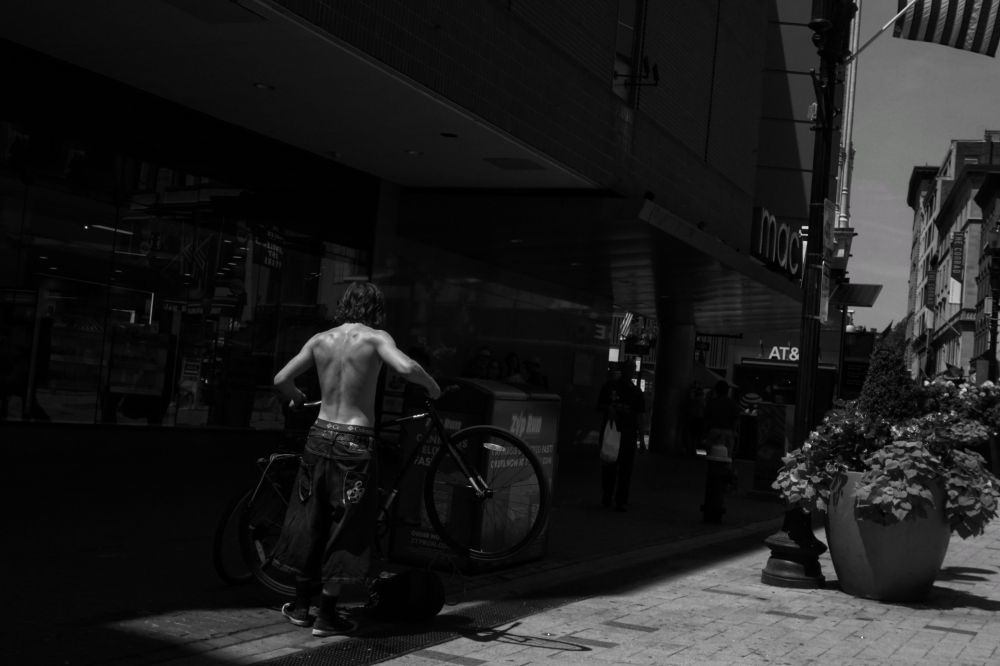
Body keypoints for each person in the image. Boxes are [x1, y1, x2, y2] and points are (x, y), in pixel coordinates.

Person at [270, 282, 441, 637]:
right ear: (377, 310)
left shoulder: (321, 340)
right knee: (347, 527)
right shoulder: (376, 338)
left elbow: (281, 379)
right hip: (354, 442)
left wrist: (298, 397)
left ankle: (301, 606)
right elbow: (406, 367)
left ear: (344, 305)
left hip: (318, 438)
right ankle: (327, 615)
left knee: (311, 519)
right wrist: (432, 386)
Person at [597, 362, 644, 511]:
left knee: (617, 468)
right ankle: (616, 499)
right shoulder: (634, 391)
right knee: (619, 469)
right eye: (628, 369)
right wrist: (641, 439)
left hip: (617, 433)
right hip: (620, 433)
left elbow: (640, 417)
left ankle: (613, 499)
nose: (629, 372)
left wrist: (641, 439)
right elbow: (639, 417)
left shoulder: (616, 388)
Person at [704, 380, 740, 461]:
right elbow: (736, 419)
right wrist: (734, 431)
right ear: (727, 391)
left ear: (716, 390)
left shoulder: (712, 402)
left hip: (714, 430)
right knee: (728, 456)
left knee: (711, 454)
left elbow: (706, 417)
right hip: (728, 431)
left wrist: (706, 431)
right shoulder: (732, 403)